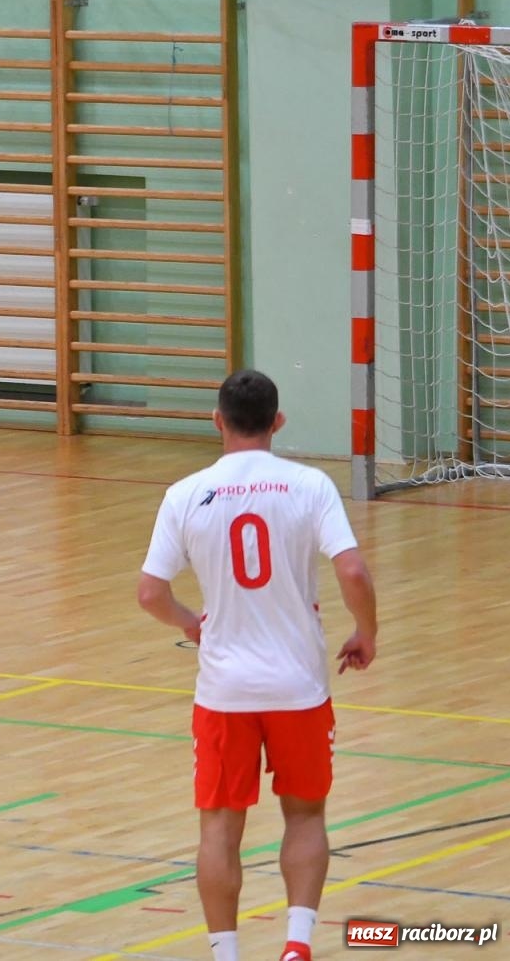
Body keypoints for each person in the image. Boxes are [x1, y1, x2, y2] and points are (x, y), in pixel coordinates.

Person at [137, 369, 378, 961]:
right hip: (299, 686)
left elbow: (150, 593)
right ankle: (296, 945)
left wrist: (191, 622)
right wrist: (365, 632)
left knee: (220, 827)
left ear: (217, 421)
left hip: (224, 691)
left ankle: (226, 954)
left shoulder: (185, 493)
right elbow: (351, 570)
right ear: (278, 422)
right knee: (305, 816)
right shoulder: (310, 485)